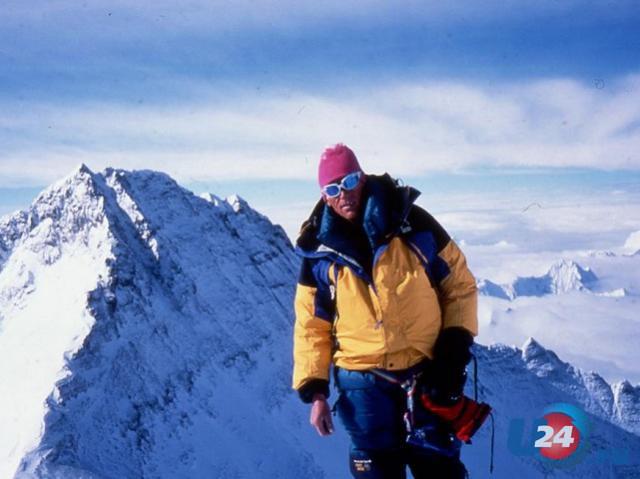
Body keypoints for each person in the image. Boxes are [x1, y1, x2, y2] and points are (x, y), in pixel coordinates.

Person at [292, 144, 478, 478]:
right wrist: (316, 391)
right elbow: (311, 325)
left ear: (361, 177)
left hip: (429, 373)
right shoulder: (318, 253)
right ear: (323, 195)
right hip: (362, 385)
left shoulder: (412, 223)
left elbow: (459, 285)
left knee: (440, 469)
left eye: (349, 181)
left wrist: (453, 350)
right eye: (332, 189)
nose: (343, 194)